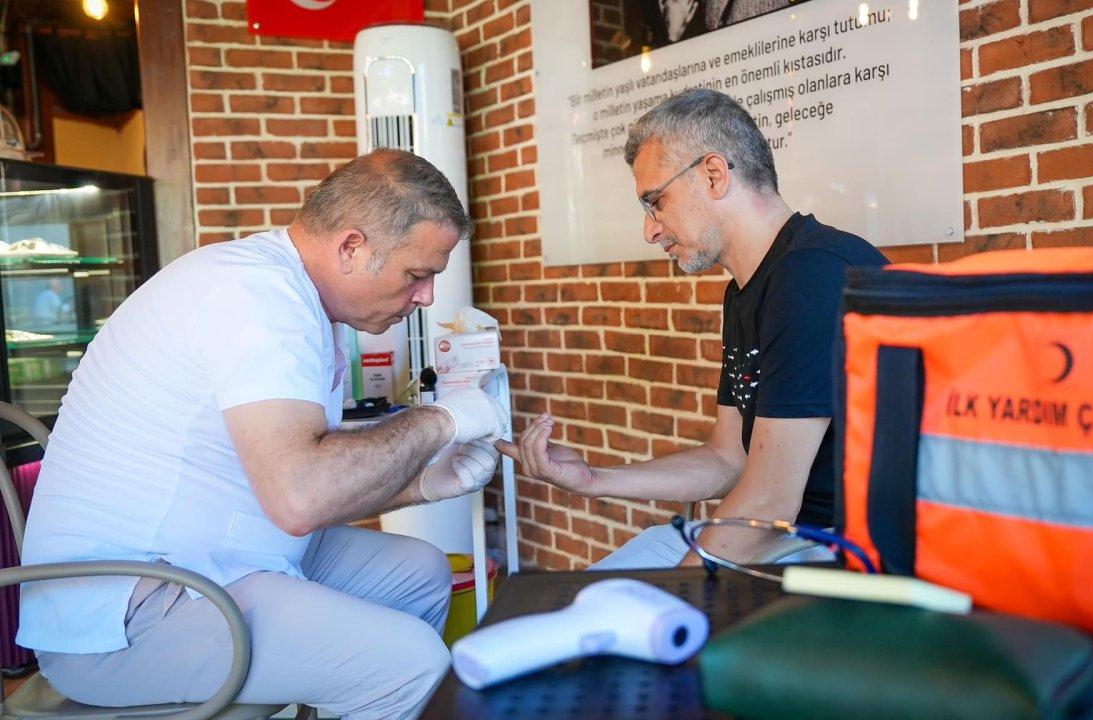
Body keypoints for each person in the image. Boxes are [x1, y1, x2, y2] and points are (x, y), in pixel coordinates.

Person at [18, 149, 509, 719]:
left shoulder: (293, 295)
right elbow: (301, 498)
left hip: (216, 554)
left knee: (421, 575)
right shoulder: (256, 298)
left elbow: (299, 482)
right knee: (410, 663)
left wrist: (422, 484)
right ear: (351, 247)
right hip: (127, 607)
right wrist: (445, 420)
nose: (425, 297)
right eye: (416, 275)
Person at [498, 89, 887, 569]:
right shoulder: (747, 289)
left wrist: (674, 596)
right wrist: (594, 479)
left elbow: (769, 502)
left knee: (605, 615)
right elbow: (728, 459)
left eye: (656, 201)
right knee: (587, 598)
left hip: (839, 546)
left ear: (714, 174)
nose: (651, 231)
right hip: (781, 536)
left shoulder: (811, 276)